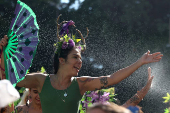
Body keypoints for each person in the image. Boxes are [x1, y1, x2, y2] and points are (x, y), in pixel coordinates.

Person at [0, 17, 163, 113]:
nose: (80, 62)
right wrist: (3, 51)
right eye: (75, 57)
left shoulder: (81, 84)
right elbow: (7, 77)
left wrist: (140, 62)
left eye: (80, 58)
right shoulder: (40, 81)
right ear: (62, 60)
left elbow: (112, 79)